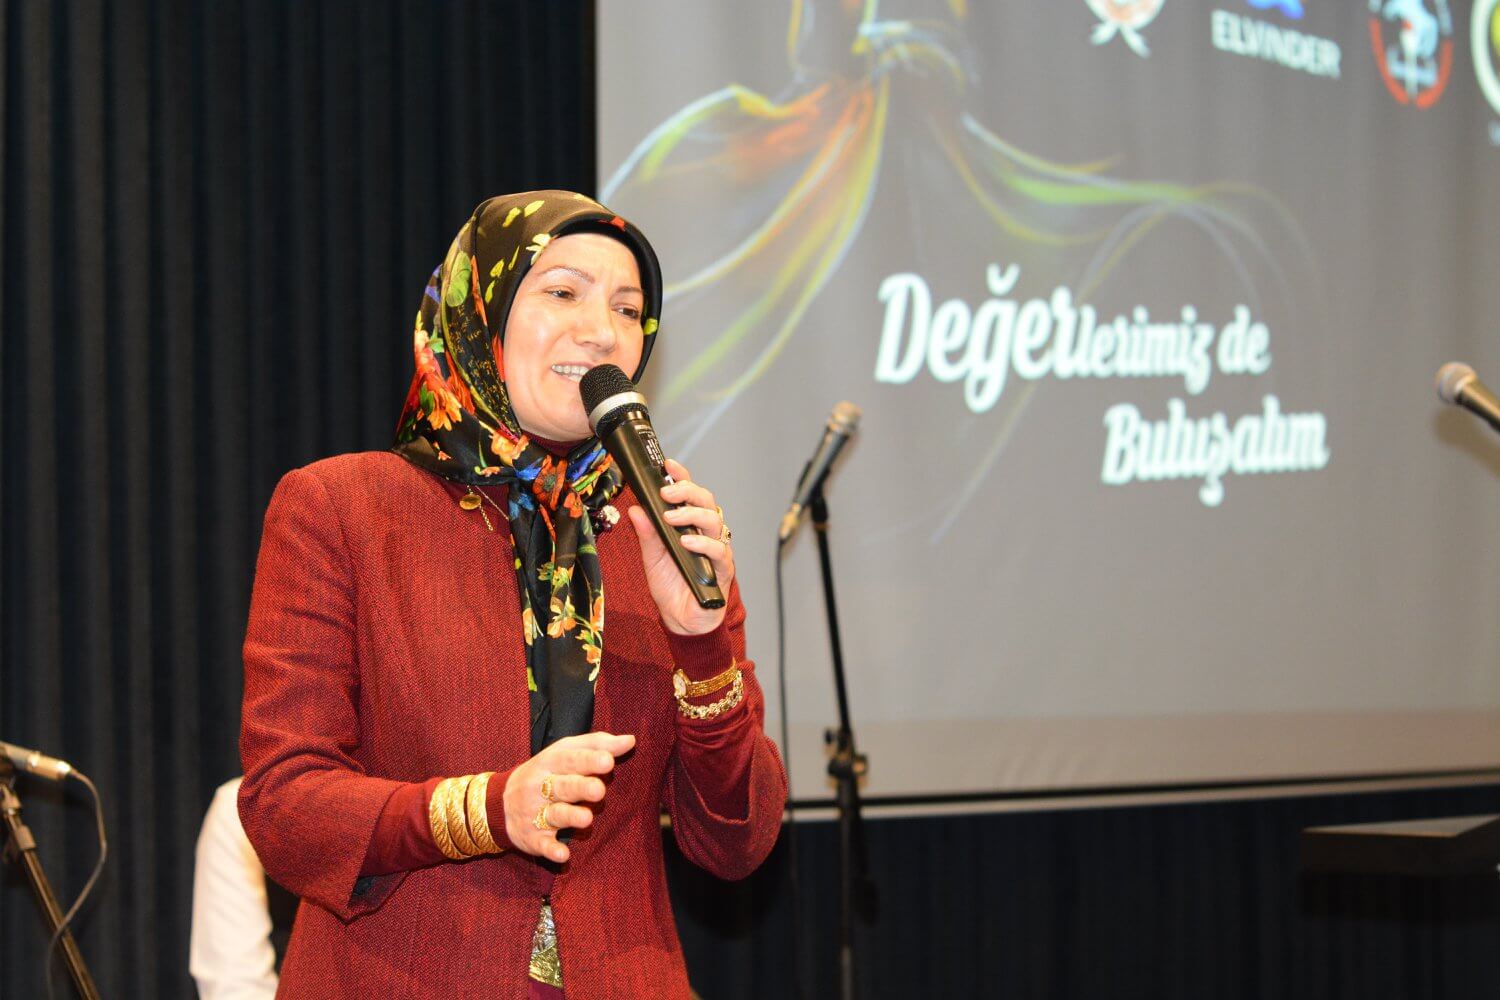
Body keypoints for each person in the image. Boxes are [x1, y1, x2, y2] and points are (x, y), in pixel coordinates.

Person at [238, 191, 787, 998]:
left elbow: (737, 842)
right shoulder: (344, 509)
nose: (601, 331)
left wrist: (703, 645)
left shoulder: (661, 529)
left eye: (628, 309)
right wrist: (489, 810)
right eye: (562, 292)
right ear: (479, 317)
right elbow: (285, 807)